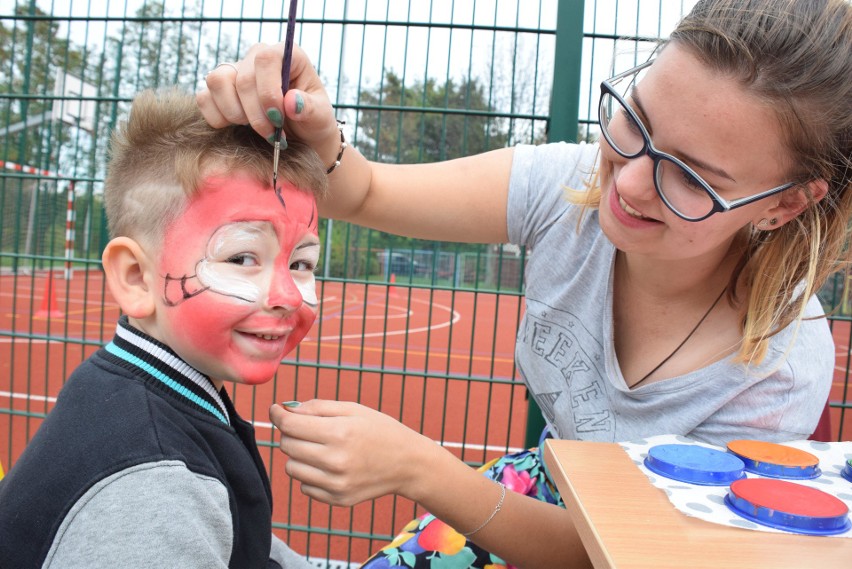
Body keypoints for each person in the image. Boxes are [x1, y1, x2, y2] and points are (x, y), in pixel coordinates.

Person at [198, 0, 852, 566]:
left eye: (691, 177)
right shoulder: (565, 188)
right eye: (637, 120)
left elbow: (617, 553)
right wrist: (318, 136)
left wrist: (417, 467)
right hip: (536, 489)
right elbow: (365, 191)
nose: (623, 185)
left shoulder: (780, 366)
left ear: (785, 204)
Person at [0, 88, 326, 568]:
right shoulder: (155, 488)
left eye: (301, 262)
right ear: (136, 278)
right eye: (241, 257)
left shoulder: (138, 390)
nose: (287, 295)